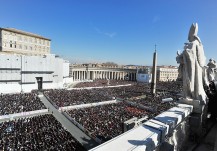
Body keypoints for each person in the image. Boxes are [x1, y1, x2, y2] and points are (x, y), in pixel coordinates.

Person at [176, 23, 208, 104]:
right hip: (196, 70)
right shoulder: (199, 44)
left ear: (191, 35)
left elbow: (188, 55)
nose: (188, 37)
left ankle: (188, 95)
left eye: (189, 35)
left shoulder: (193, 43)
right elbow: (201, 59)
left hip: (191, 71)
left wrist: (180, 56)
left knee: (189, 83)